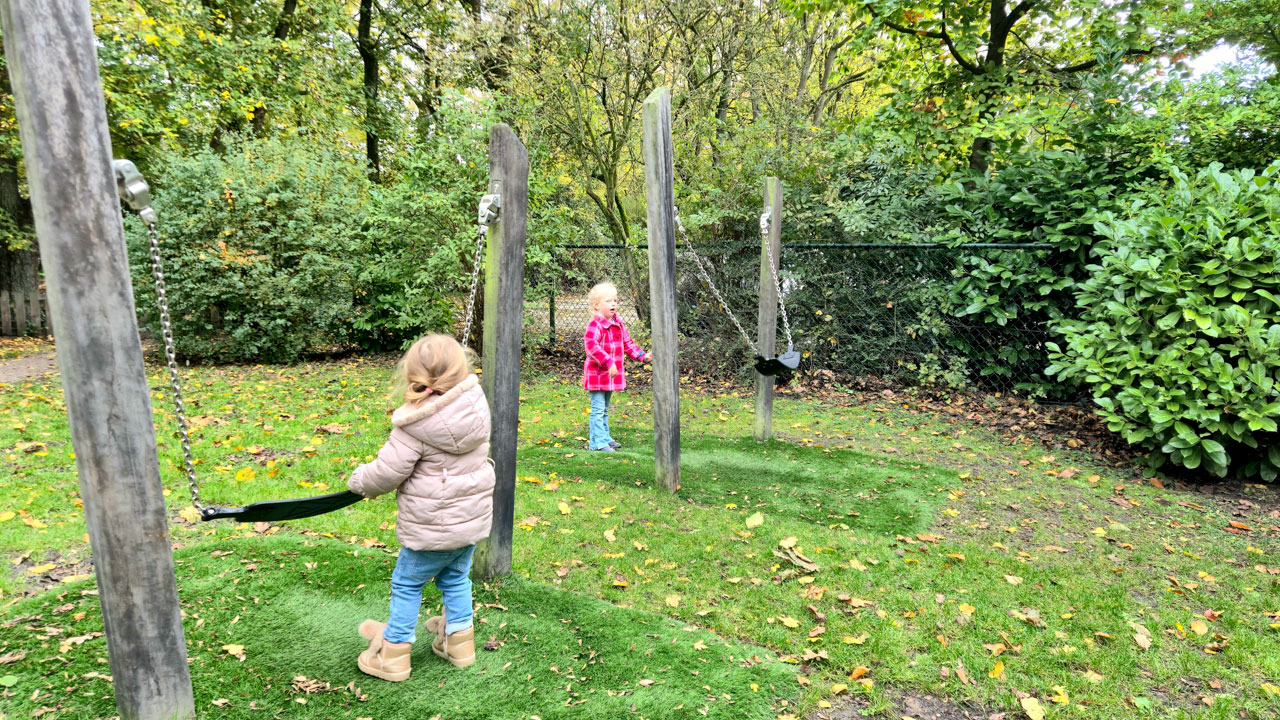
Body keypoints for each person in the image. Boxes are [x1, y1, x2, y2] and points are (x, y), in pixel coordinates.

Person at [347, 334, 495, 682]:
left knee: (406, 583)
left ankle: (394, 653)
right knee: (456, 578)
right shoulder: (475, 409)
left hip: (430, 530)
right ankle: (460, 643)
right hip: (469, 524)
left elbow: (385, 474)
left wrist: (358, 481)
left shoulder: (415, 425)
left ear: (411, 375)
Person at [582, 282, 651, 452]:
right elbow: (590, 345)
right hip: (598, 375)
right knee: (598, 409)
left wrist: (642, 356)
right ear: (596, 305)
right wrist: (608, 361)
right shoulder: (595, 325)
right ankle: (597, 444)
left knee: (604, 409)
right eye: (608, 301)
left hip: (610, 375)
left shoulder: (618, 323)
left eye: (615, 300)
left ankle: (604, 437)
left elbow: (627, 343)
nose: (613, 304)